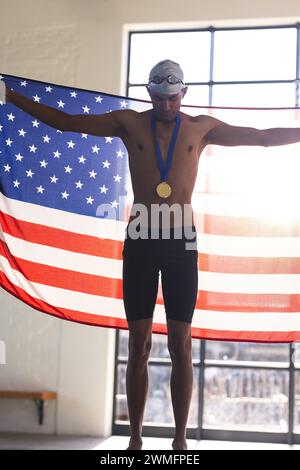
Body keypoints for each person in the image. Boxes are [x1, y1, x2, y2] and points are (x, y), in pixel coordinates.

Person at [2, 59, 300, 450]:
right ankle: (136, 439)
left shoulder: (200, 128)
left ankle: (179, 440)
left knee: (181, 342)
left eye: (173, 98)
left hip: (180, 242)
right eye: (159, 98)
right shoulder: (129, 123)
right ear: (149, 94)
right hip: (141, 240)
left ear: (184, 94)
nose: (167, 106)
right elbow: (65, 122)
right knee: (138, 342)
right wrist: (10, 96)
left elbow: (261, 137)